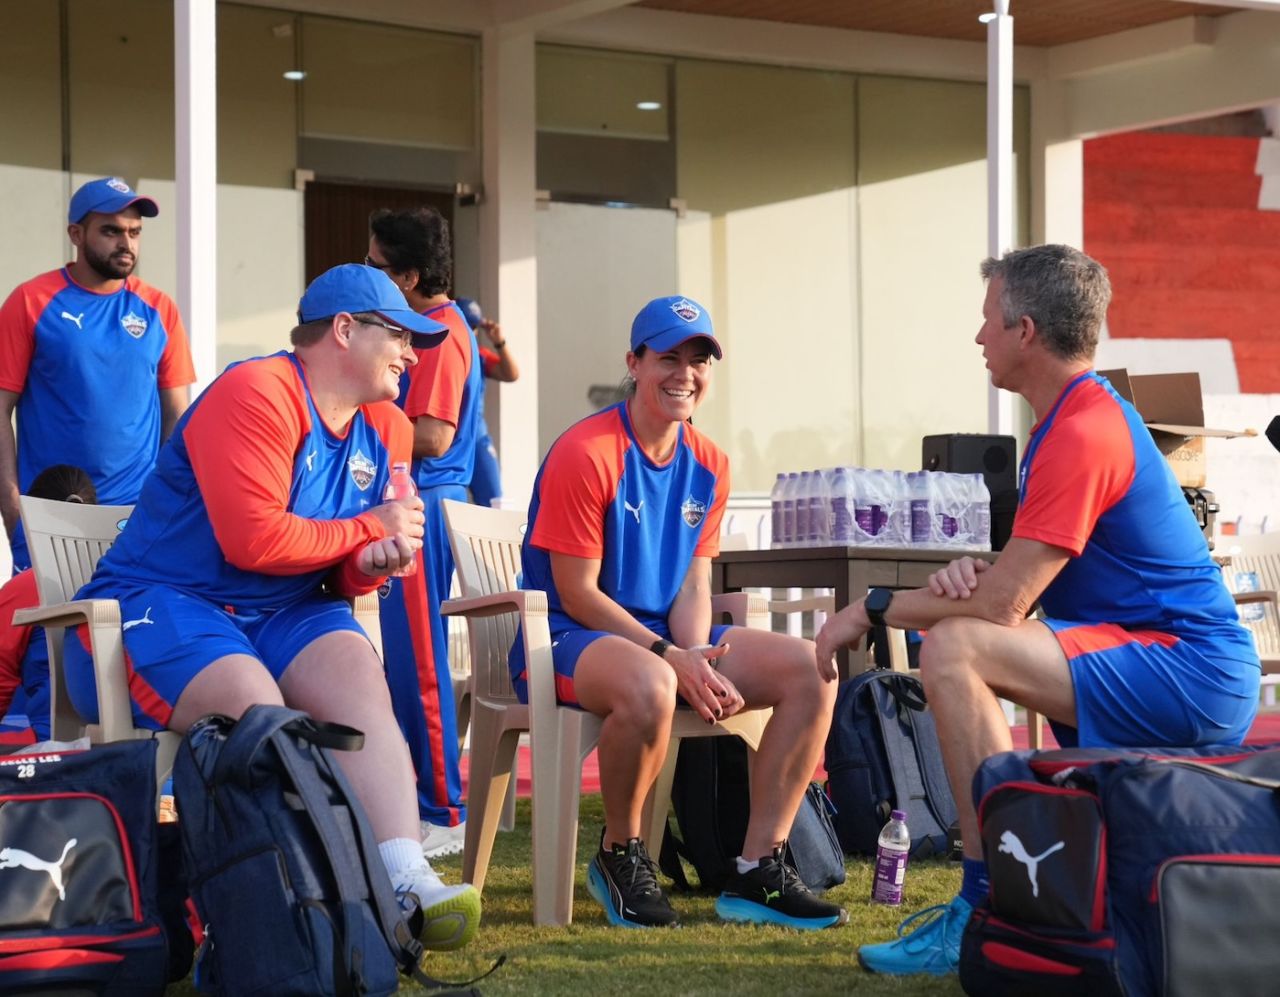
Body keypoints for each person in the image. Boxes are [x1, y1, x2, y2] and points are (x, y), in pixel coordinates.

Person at [815, 244, 1260, 977]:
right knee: (960, 633)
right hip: (1157, 656)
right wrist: (972, 578)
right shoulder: (1067, 423)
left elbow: (1003, 607)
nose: (979, 336)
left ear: (1025, 331)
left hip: (1191, 670)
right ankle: (1006, 898)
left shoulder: (1084, 429)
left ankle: (988, 903)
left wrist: (875, 606)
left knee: (956, 647)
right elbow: (1014, 584)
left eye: (988, 319)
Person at [62, 264, 482, 951]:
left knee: (358, 678)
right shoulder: (256, 390)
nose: (412, 355)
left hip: (283, 606)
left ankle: (402, 880)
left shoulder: (387, 426)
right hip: (161, 600)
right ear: (344, 331)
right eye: (400, 336)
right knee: (258, 710)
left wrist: (363, 564)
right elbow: (253, 537)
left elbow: (336, 558)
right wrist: (369, 529)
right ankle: (274, 907)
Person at [512, 295, 848, 931]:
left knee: (814, 668)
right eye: (669, 357)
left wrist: (694, 653)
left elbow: (695, 585)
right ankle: (621, 852)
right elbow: (578, 592)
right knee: (653, 681)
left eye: (699, 359)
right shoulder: (585, 452)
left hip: (665, 644)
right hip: (564, 637)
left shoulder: (710, 463)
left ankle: (757, 869)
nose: (684, 373)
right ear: (634, 363)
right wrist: (671, 658)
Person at [0, 177, 195, 572]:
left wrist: (170, 505)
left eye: (135, 232)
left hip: (136, 516)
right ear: (76, 233)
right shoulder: (31, 301)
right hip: (50, 513)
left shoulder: (159, 309)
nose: (126, 243)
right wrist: (12, 504)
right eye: (111, 231)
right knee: (50, 632)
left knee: (128, 628)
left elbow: (177, 415)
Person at [366, 207, 482, 859]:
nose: (367, 273)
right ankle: (424, 796)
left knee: (421, 662)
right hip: (420, 503)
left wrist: (356, 420)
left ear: (409, 275)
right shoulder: (436, 324)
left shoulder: (439, 330)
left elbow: (433, 434)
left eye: (376, 265)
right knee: (407, 660)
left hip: (426, 504)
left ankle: (443, 806)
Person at [0, 465, 97, 742]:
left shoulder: (25, 587)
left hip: (53, 743)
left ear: (32, 520)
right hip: (135, 741)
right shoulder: (129, 579)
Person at [454, 297, 519, 510]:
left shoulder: (478, 355)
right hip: (450, 437)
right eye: (466, 324)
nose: (470, 332)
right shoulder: (444, 351)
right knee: (452, 502)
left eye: (474, 327)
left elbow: (511, 374)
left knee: (494, 503)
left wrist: (499, 342)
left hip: (477, 437)